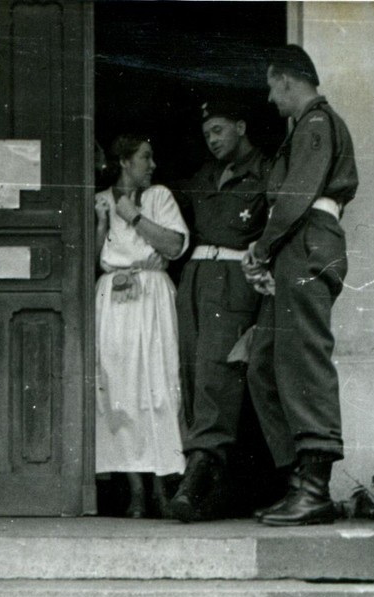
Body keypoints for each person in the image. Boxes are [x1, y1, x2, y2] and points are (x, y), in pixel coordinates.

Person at [242, 45, 358, 526]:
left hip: (307, 244)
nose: (270, 98)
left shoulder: (315, 124)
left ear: (289, 80)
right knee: (265, 363)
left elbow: (294, 197)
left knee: (303, 360)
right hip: (295, 245)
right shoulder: (307, 127)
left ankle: (314, 489)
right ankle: (298, 481)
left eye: (272, 86)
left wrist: (263, 247)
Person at [167, 99, 271, 522]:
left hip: (235, 283)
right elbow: (164, 200)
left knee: (217, 376)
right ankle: (210, 486)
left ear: (241, 126)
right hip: (193, 282)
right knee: (193, 374)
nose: (212, 140)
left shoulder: (266, 172)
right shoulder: (204, 176)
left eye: (219, 130)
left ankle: (198, 481)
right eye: (207, 133)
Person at [94, 134, 190, 518]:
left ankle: (162, 485)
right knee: (118, 389)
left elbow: (173, 246)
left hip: (152, 294)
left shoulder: (159, 197)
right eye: (145, 157)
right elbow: (87, 256)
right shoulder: (99, 198)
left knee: (161, 387)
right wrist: (104, 220)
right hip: (114, 297)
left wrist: (133, 216)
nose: (152, 165)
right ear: (124, 161)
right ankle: (135, 489)